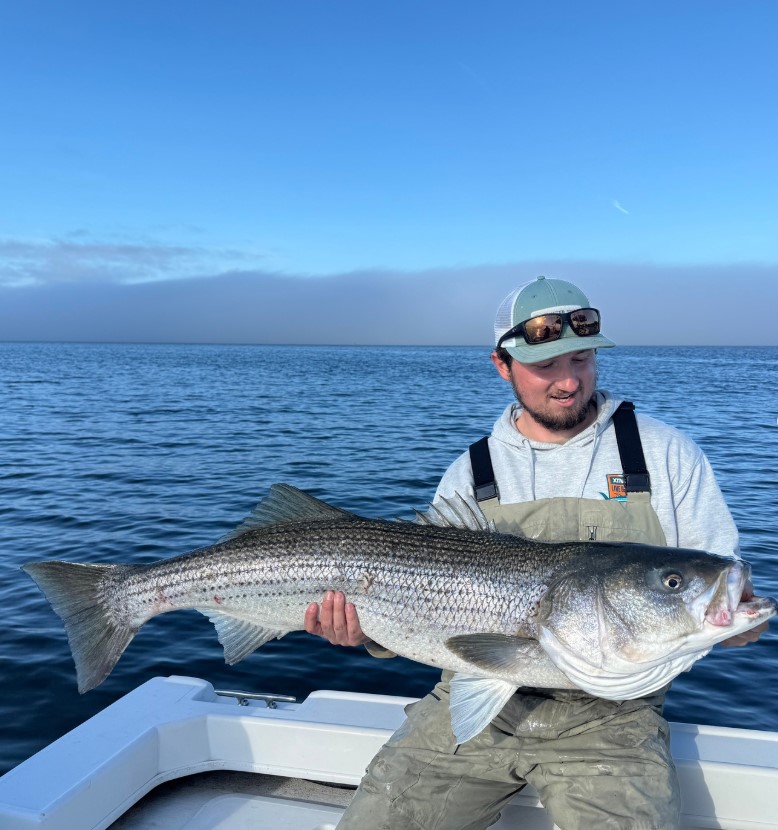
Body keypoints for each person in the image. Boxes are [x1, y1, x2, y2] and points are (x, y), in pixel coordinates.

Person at [304, 276, 767, 830]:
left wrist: (730, 625)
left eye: (581, 360)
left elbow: (725, 598)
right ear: (503, 366)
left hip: (611, 721)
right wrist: (362, 633)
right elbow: (416, 615)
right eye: (546, 366)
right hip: (468, 704)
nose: (569, 382)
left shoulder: (664, 454)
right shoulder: (471, 473)